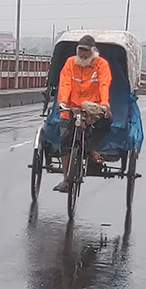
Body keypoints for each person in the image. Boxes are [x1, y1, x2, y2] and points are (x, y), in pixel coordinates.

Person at [54, 35, 112, 192]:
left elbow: (104, 84)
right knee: (65, 141)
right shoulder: (70, 63)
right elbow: (65, 83)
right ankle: (66, 179)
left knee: (106, 122)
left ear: (93, 51)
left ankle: (91, 149)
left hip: (93, 107)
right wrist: (63, 102)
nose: (83, 54)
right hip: (71, 107)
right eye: (80, 50)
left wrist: (104, 103)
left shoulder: (101, 65)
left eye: (86, 51)